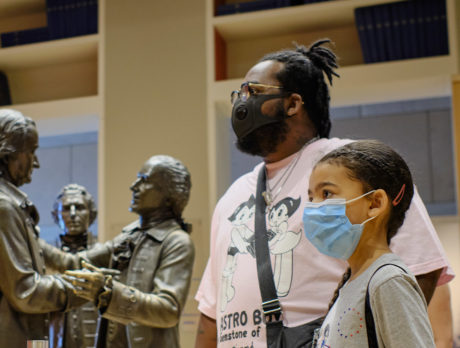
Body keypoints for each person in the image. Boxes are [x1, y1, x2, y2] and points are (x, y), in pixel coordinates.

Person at [194, 40, 454, 348]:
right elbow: (211, 310)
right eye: (239, 93)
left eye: (253, 91)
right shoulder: (233, 195)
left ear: (292, 103)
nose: (241, 102)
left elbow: (421, 269)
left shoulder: (356, 167)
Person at [305, 140, 434, 347]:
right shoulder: (351, 284)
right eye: (311, 198)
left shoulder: (388, 281)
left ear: (375, 203)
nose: (312, 208)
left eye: (326, 194)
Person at [64, 155, 195, 348]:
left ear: (168, 194)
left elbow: (168, 310)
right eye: (66, 208)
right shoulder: (128, 235)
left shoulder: (177, 241)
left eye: (144, 181)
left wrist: (108, 293)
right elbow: (73, 262)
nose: (133, 186)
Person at [0, 109, 81, 347]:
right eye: (31, 151)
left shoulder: (11, 204)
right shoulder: (4, 206)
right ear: (8, 152)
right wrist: (85, 290)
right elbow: (25, 291)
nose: (36, 162)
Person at [50, 184, 99, 348]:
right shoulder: (42, 257)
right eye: (65, 209)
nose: (72, 215)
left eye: (79, 208)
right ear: (55, 215)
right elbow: (34, 319)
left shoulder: (105, 256)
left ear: (91, 214)